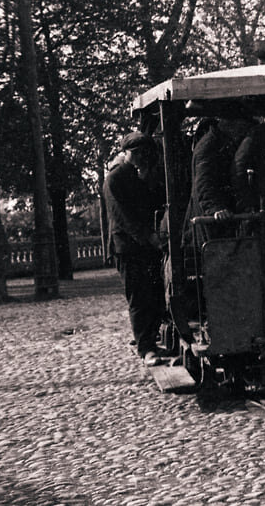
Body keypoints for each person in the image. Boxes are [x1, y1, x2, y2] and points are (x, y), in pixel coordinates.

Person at [103, 132, 168, 367]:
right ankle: (146, 348)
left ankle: (151, 338)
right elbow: (123, 218)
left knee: (156, 294)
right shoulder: (116, 178)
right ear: (127, 153)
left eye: (145, 152)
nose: (141, 156)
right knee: (139, 297)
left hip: (147, 245)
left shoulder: (144, 175)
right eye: (136, 152)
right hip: (127, 248)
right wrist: (148, 236)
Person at [186, 115, 255, 242]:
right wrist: (215, 208)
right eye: (242, 127)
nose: (243, 132)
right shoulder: (208, 146)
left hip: (224, 219)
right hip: (210, 224)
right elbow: (204, 181)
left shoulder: (225, 143)